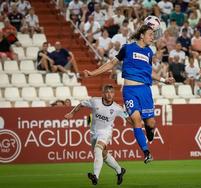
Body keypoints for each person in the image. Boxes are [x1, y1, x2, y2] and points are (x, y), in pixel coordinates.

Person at [83, 24, 174, 163]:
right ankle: (146, 152)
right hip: (130, 91)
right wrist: (92, 73)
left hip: (145, 90)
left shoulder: (149, 52)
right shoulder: (127, 48)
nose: (152, 37)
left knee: (150, 123)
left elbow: (149, 72)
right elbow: (110, 64)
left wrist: (163, 80)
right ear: (142, 35)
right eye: (150, 34)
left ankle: (150, 130)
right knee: (136, 120)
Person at [64, 85, 128, 185]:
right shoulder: (95, 101)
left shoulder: (117, 108)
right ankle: (120, 171)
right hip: (93, 133)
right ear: (103, 93)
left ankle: (95, 176)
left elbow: (128, 118)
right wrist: (72, 113)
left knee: (98, 150)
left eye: (111, 92)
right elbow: (81, 104)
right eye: (107, 92)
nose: (109, 94)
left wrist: (139, 124)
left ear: (114, 94)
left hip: (105, 133)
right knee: (104, 155)